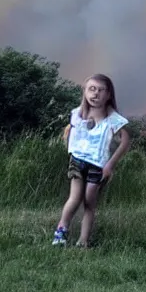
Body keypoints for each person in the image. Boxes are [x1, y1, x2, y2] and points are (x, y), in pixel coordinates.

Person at [52, 74, 130, 248]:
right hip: (77, 160)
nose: (96, 94)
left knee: (89, 202)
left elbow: (125, 142)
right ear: (85, 92)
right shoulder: (77, 113)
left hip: (98, 165)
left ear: (109, 94)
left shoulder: (114, 119)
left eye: (101, 90)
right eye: (92, 89)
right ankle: (61, 231)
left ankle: (83, 241)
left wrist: (110, 165)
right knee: (74, 198)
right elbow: (71, 129)